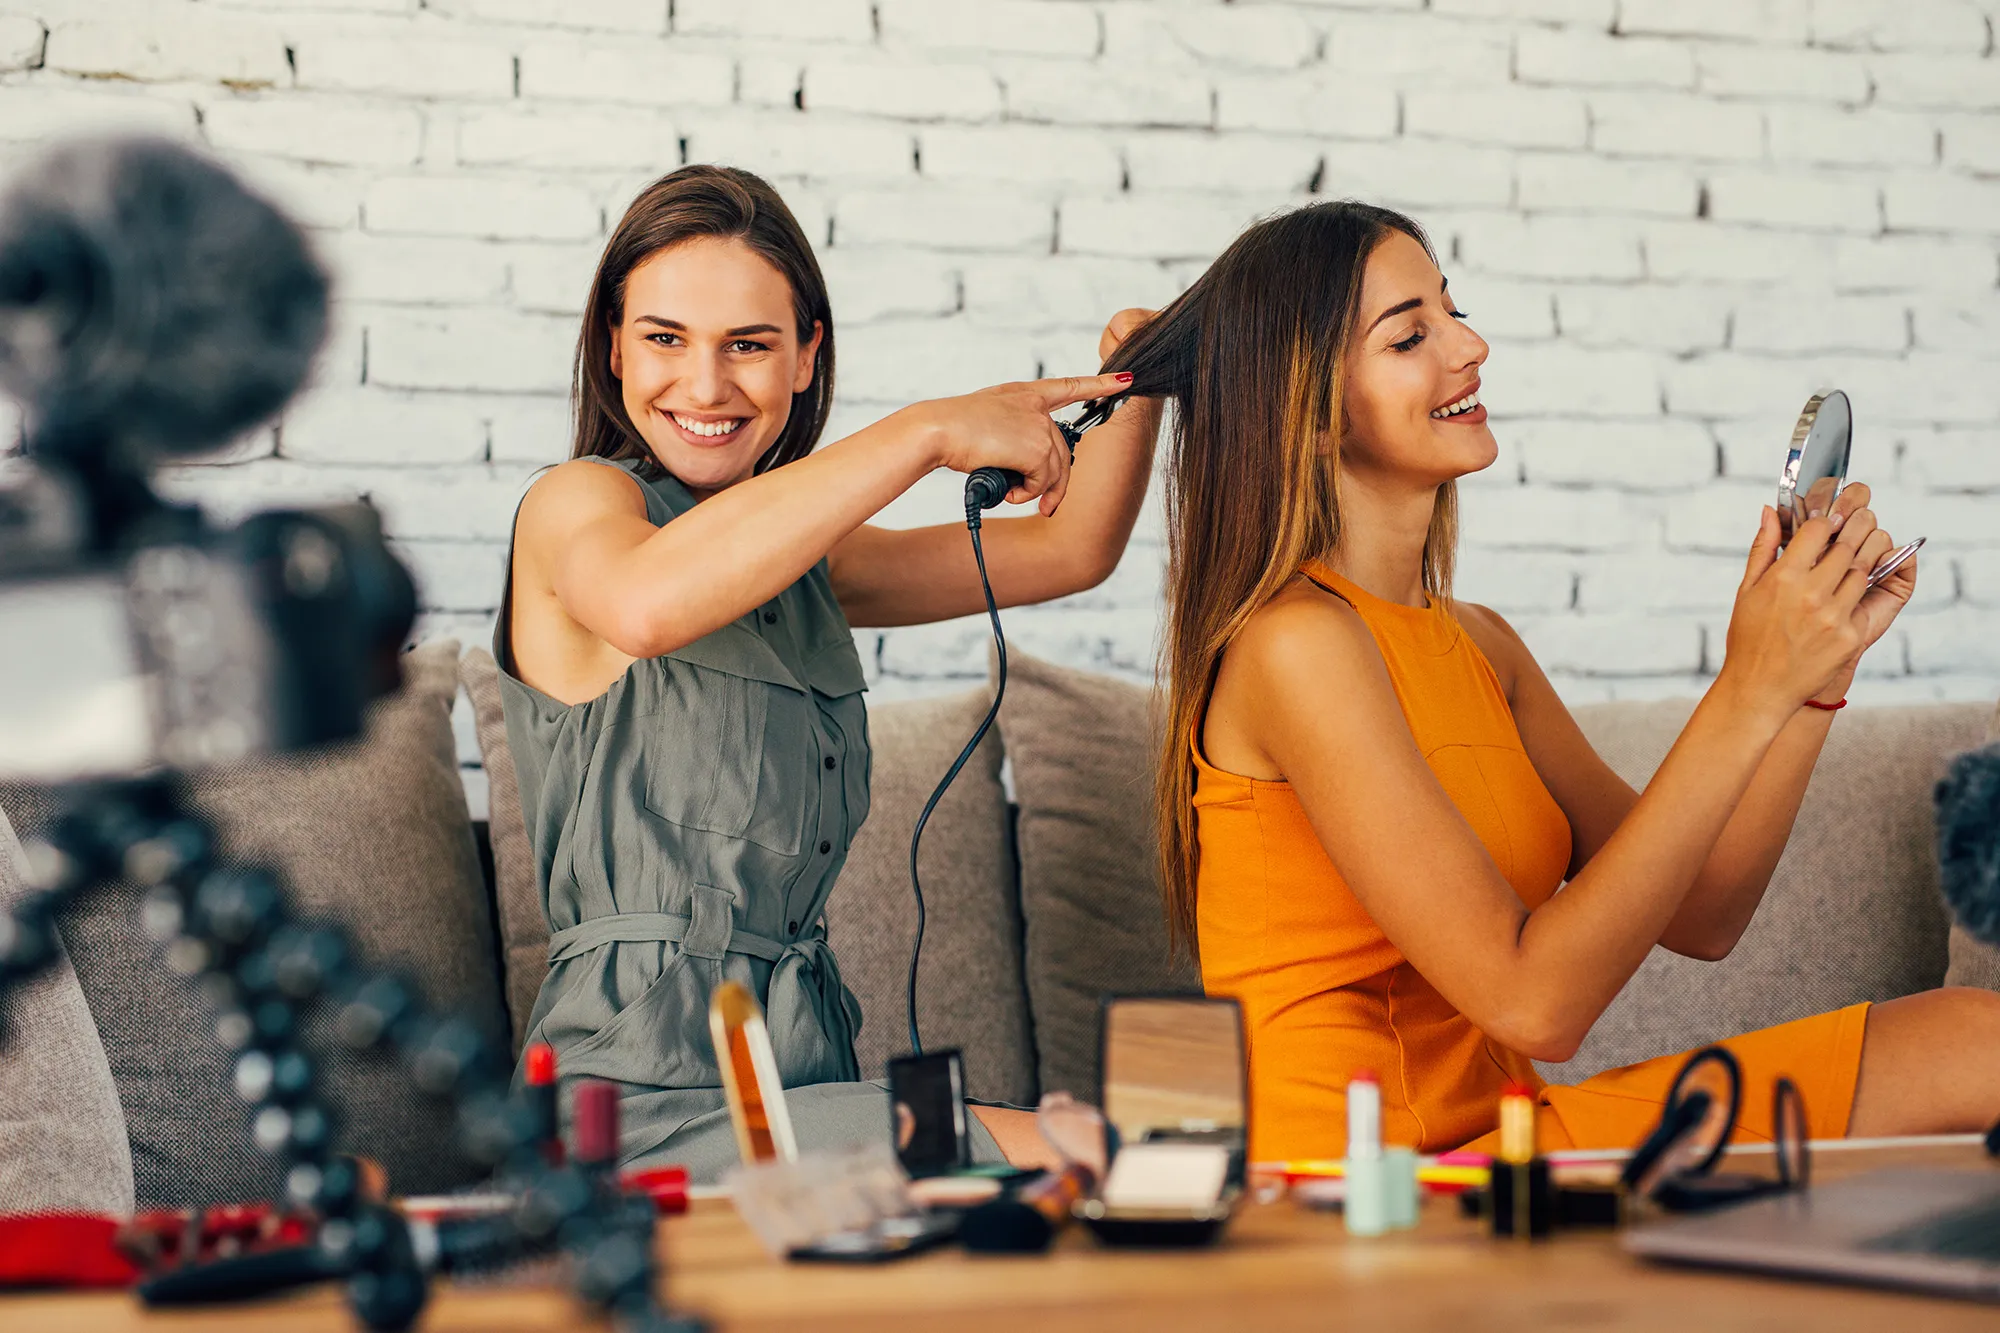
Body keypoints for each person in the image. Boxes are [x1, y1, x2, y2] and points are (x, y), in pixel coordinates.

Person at [1104, 200, 2000, 1162]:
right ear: (1310, 413)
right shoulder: (1295, 645)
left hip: (1512, 1138)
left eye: (1454, 310)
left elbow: (1706, 912)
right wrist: (1748, 681)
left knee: (1976, 1038)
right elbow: (1536, 1004)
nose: (1471, 344)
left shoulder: (1480, 644)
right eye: (1411, 336)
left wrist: (1809, 680)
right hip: (1370, 1185)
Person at [497, 163, 1157, 1176]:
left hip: (800, 1086)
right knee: (1082, 1157)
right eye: (664, 339)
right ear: (613, 348)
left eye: (749, 345)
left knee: (1095, 1168)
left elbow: (1066, 554)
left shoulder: (805, 561)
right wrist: (930, 427)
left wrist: (1141, 377)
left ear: (806, 356)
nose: (707, 385)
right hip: (626, 1114)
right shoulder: (577, 507)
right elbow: (646, 604)